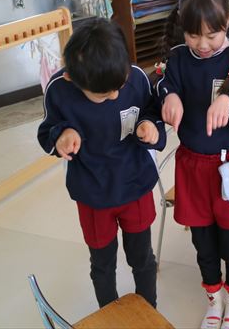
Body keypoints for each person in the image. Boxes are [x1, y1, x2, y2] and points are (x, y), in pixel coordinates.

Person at [37, 18, 167, 308]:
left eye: (119, 85)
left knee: (143, 259)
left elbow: (151, 110)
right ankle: (108, 314)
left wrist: (150, 126)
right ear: (72, 78)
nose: (116, 95)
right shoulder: (59, 90)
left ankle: (149, 311)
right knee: (102, 264)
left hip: (135, 184)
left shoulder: (135, 78)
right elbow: (47, 132)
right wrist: (62, 136)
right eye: (104, 94)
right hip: (93, 193)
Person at [156, 0, 229, 329]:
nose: (202, 44)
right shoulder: (177, 58)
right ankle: (214, 300)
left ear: (228, 21)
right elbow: (163, 84)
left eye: (211, 35)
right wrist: (169, 96)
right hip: (192, 167)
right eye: (192, 35)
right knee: (203, 244)